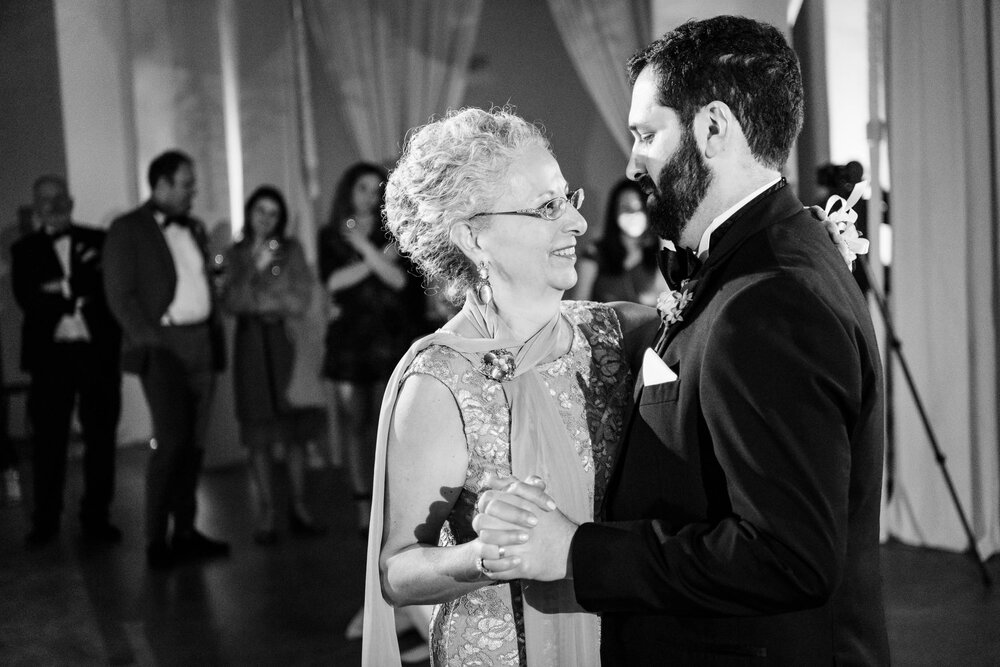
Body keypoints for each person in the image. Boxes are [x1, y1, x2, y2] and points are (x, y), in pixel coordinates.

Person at [474, 16, 890, 666]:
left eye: (646, 134)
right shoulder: (769, 254)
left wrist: (576, 551)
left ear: (713, 128)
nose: (633, 158)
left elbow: (789, 556)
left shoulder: (768, 299)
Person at [361, 107, 637, 666]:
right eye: (546, 208)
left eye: (568, 199)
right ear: (473, 237)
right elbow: (397, 572)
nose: (579, 224)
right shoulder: (440, 381)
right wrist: (488, 555)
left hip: (619, 636)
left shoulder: (615, 334)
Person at [103, 150, 230, 569]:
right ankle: (156, 539)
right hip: (163, 346)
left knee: (193, 445)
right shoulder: (127, 229)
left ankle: (187, 531)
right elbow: (120, 297)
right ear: (159, 185)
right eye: (186, 183)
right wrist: (152, 342)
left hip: (200, 342)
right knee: (171, 442)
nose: (193, 190)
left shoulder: (192, 227)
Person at [11, 175, 122, 546]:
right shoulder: (23, 249)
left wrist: (55, 287)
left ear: (71, 202)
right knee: (49, 442)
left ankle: (97, 517)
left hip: (96, 354)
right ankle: (46, 521)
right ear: (35, 205)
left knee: (101, 438)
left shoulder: (98, 241)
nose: (53, 204)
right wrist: (73, 289)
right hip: (50, 358)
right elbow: (28, 299)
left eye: (59, 197)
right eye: (45, 199)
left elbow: (107, 291)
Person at [221, 185, 322, 544]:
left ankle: (298, 506)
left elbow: (300, 299)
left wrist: (261, 299)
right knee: (258, 433)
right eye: (260, 211)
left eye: (273, 214)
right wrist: (257, 275)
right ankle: (267, 512)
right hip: (250, 346)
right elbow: (231, 301)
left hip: (285, 343)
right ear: (249, 213)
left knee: (294, 431)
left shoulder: (291, 250)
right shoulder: (235, 254)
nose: (266, 219)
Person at [317, 162, 412, 538]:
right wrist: (371, 255)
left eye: (376, 190)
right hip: (351, 342)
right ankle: (362, 509)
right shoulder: (331, 236)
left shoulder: (394, 231)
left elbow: (398, 280)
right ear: (348, 190)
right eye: (362, 188)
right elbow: (334, 282)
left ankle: (391, 508)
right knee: (355, 423)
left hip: (389, 338)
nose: (370, 197)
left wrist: (363, 254)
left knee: (387, 425)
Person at [572, 177, 666, 305]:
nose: (633, 213)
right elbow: (578, 306)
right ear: (615, 212)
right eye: (625, 207)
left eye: (639, 208)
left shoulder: (658, 254)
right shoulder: (594, 253)